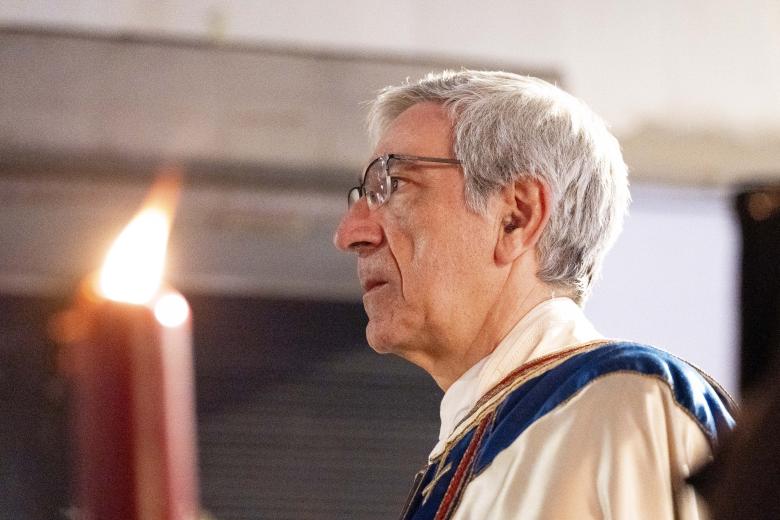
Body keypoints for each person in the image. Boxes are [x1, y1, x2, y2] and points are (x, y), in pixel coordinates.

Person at [333, 70, 735, 519]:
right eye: (363, 195)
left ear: (516, 218)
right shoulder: (467, 446)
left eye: (393, 185)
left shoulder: (627, 404)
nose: (350, 233)